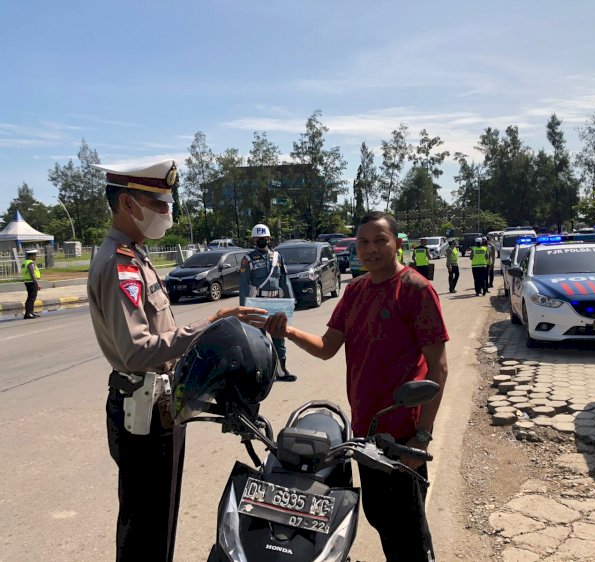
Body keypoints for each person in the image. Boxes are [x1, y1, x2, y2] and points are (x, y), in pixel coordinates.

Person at [87, 159, 266, 562]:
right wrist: (211, 323)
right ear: (130, 204)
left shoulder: (135, 255)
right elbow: (137, 350)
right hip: (144, 413)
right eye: (161, 203)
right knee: (146, 530)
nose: (168, 212)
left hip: (158, 406)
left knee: (157, 522)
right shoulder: (120, 264)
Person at [259, 211, 449, 562]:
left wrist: (421, 437)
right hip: (365, 432)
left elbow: (438, 367)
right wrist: (288, 332)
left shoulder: (416, 290)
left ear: (397, 244)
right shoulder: (355, 290)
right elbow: (327, 347)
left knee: (408, 533)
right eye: (363, 242)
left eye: (380, 240)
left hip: (402, 438)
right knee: (381, 518)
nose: (370, 249)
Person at [239, 223, 297, 382]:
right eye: (258, 239)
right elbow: (243, 284)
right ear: (253, 240)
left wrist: (290, 301)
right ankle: (263, 374)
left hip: (276, 302)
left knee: (279, 337)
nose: (261, 241)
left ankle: (281, 370)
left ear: (269, 239)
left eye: (264, 238)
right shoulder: (248, 259)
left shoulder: (278, 258)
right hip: (257, 303)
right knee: (259, 339)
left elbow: (285, 280)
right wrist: (243, 309)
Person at [21, 248, 41, 319]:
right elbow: (32, 274)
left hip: (28, 282)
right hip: (31, 282)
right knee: (31, 298)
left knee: (32, 297)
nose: (35, 257)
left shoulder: (25, 262)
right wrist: (37, 283)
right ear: (31, 256)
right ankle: (28, 313)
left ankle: (31, 312)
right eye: (35, 255)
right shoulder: (30, 263)